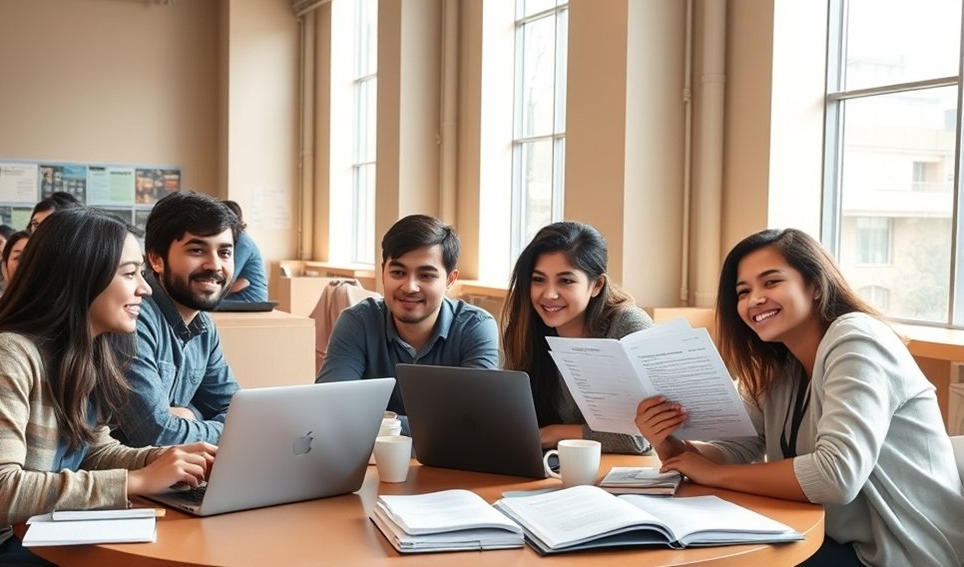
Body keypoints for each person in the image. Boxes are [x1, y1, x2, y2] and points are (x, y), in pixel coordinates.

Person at [634, 228, 964, 566]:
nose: (754, 299)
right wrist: (668, 443)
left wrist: (712, 474)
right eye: (743, 291)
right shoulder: (778, 364)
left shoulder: (858, 340)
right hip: (832, 538)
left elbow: (835, 476)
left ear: (816, 285)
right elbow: (736, 449)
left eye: (771, 282)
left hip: (901, 552)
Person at [0, 208, 215, 565]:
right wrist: (136, 480)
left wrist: (168, 461)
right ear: (81, 277)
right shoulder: (4, 354)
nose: (145, 289)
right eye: (130, 274)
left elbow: (93, 453)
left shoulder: (89, 350)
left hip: (30, 532)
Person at [316, 214, 500, 424]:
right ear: (383, 271)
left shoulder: (475, 327)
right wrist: (434, 425)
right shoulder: (357, 322)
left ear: (450, 280)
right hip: (370, 458)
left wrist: (378, 422)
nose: (410, 287)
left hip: (446, 458)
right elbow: (330, 409)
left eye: (426, 275)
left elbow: (474, 421)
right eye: (398, 272)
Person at [502, 222, 652, 453]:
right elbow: (510, 417)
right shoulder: (528, 327)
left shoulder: (628, 327)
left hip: (624, 471)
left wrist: (556, 434)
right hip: (553, 466)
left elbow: (640, 438)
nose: (549, 294)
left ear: (597, 285)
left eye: (566, 280)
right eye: (538, 279)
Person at [116, 191, 241, 447]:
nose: (215, 265)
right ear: (156, 260)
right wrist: (205, 420)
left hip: (180, 475)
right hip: (126, 479)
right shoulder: (132, 318)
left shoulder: (204, 327)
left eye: (225, 253)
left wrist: (191, 416)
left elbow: (242, 414)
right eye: (197, 250)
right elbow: (157, 434)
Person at [220, 200, 269, 303]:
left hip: (250, 297)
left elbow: (229, 279)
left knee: (202, 305)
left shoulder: (243, 243)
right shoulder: (234, 240)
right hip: (237, 294)